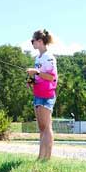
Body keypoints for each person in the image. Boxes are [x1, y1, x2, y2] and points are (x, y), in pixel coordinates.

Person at [26, 29, 57, 161]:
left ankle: (47, 158)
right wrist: (30, 80)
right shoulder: (37, 58)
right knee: (41, 128)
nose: (32, 43)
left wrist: (36, 72)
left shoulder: (49, 57)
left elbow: (51, 78)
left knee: (47, 127)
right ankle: (40, 156)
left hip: (47, 95)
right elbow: (37, 76)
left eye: (33, 40)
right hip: (37, 94)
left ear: (40, 41)